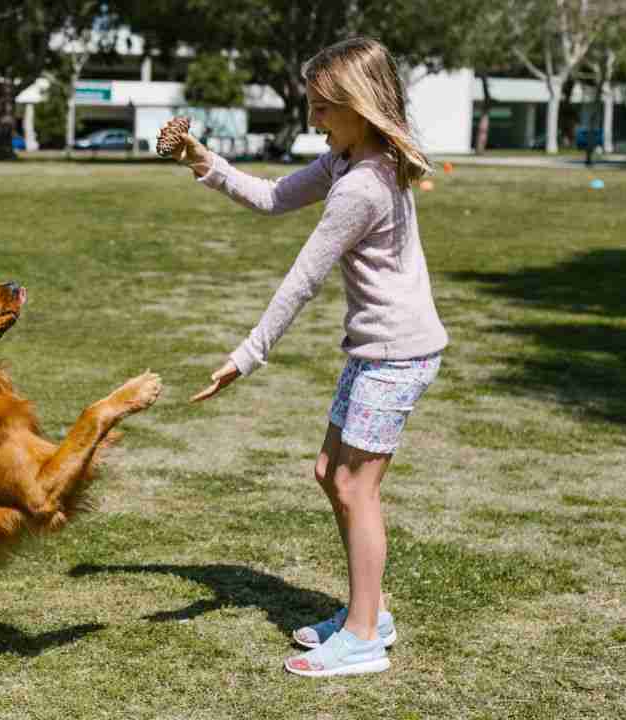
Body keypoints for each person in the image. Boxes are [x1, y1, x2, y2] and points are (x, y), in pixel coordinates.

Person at [158, 37, 448, 677]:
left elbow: (303, 277)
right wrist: (199, 158)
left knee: (355, 484)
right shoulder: (347, 161)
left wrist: (246, 355)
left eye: (322, 108)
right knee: (329, 472)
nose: (313, 120)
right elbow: (269, 197)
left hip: (398, 354)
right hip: (377, 351)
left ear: (358, 106)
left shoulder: (362, 185)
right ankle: (369, 611)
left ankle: (366, 637)